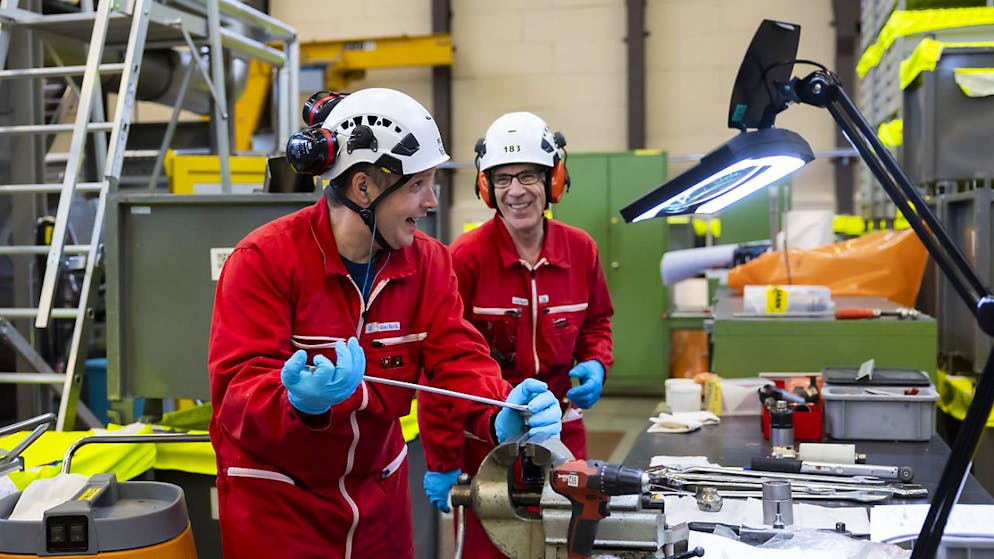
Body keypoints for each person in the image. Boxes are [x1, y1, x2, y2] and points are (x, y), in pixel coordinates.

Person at [208, 90, 563, 559]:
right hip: (281, 504)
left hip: (380, 498)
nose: (431, 202)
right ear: (363, 188)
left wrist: (498, 407)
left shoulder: (430, 263)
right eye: (418, 186)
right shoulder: (264, 261)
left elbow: (457, 358)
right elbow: (237, 391)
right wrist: (300, 404)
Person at [419, 111, 615, 557]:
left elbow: (597, 321)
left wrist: (596, 362)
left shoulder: (581, 249)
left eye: (528, 175)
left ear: (554, 180)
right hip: (487, 445)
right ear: (486, 188)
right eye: (502, 179)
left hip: (564, 434)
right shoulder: (463, 260)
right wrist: (443, 460)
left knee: (569, 546)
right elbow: (439, 368)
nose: (516, 191)